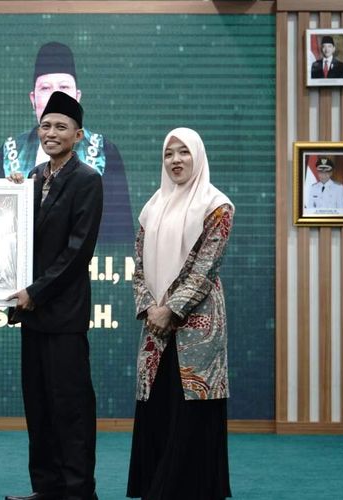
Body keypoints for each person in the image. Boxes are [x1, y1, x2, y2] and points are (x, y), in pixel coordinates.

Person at [126, 127, 234, 500]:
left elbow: (205, 269)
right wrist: (149, 307)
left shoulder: (217, 205)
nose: (176, 160)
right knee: (159, 405)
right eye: (169, 153)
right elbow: (138, 267)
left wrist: (170, 310)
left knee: (192, 408)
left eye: (184, 152)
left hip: (197, 327)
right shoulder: (152, 208)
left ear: (198, 156)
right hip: (155, 325)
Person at [5, 91, 103, 500]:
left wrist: (35, 292)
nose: (51, 132)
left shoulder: (87, 180)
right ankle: (46, 489)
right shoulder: (33, 178)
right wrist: (10, 198)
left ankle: (78, 492)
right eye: (45, 125)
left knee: (71, 410)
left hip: (63, 316)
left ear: (78, 135)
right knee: (40, 407)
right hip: (33, 317)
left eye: (61, 126)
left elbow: (77, 252)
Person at [0, 41, 132, 244]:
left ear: (77, 96)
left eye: (64, 87)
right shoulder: (11, 153)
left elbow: (118, 232)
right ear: (33, 99)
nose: (55, 96)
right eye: (45, 88)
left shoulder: (104, 151)